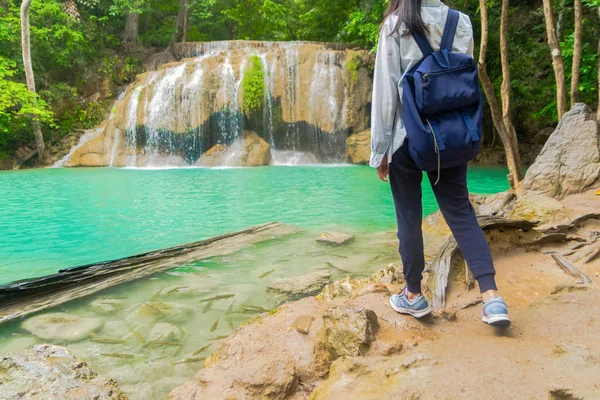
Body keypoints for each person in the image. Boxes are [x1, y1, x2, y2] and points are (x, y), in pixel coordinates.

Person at [370, 0, 511, 326]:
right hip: (449, 137)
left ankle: (413, 296)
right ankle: (492, 298)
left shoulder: (395, 25)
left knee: (409, 216)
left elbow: (386, 95)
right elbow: (460, 81)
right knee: (461, 212)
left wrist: (379, 153)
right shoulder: (461, 23)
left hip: (407, 139)